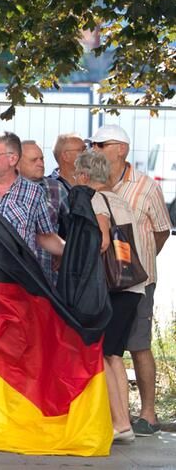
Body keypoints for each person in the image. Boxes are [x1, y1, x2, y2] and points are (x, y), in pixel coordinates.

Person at [90, 124, 171, 436]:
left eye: (101, 144)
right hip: (105, 282)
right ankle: (114, 415)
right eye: (94, 145)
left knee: (138, 343)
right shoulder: (97, 183)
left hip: (138, 281)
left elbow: (162, 230)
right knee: (110, 348)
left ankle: (147, 414)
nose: (95, 149)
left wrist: (142, 261)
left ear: (120, 149)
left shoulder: (145, 186)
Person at [73, 151, 145, 444]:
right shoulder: (119, 199)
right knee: (114, 355)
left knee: (103, 355)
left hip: (114, 288)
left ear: (86, 177)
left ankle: (119, 422)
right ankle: (122, 423)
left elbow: (102, 240)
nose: (77, 180)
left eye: (78, 175)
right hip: (132, 287)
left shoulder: (96, 200)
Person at [0, 132, 64, 274]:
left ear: (12, 159)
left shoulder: (34, 192)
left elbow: (45, 236)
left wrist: (74, 253)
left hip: (19, 281)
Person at [18, 139, 68, 281]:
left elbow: (73, 225)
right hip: (11, 274)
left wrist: (63, 251)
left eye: (42, 159)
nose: (40, 163)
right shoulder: (2, 189)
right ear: (17, 164)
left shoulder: (55, 188)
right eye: (34, 160)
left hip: (46, 273)